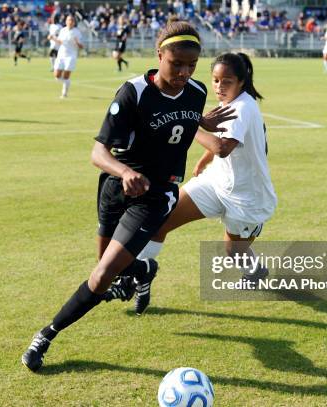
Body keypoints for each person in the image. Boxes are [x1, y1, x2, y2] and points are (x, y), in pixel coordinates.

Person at [21, 21, 236, 372]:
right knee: (107, 262)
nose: (184, 72)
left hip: (156, 194)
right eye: (176, 63)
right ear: (159, 55)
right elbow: (97, 152)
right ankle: (144, 269)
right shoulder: (133, 92)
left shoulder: (196, 92)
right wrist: (124, 172)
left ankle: (46, 335)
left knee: (103, 274)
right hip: (115, 187)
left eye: (191, 65)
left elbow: (182, 121)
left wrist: (203, 125)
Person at [106, 53, 277, 314]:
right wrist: (203, 161)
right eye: (216, 80)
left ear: (242, 82)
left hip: (247, 196)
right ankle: (136, 277)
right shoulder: (231, 102)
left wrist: (186, 122)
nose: (219, 87)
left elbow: (223, 147)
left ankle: (255, 269)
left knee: (233, 253)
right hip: (216, 182)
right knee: (161, 220)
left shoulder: (244, 107)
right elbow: (223, 140)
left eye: (227, 81)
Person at [50, 14, 84, 98]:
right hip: (61, 55)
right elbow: (61, 42)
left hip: (71, 56)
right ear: (66, 21)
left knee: (66, 76)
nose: (70, 22)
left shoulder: (77, 32)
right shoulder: (63, 30)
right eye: (69, 20)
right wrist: (52, 38)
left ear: (74, 22)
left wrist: (77, 42)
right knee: (57, 76)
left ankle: (64, 93)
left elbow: (81, 46)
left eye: (72, 20)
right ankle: (67, 82)